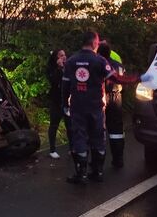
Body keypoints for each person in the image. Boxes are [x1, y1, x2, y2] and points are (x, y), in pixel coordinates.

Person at [62, 31, 138, 184]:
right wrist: (137, 78)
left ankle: (81, 174)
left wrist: (65, 104)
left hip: (78, 106)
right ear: (94, 43)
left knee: (79, 137)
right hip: (96, 106)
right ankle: (98, 172)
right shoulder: (100, 61)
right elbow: (116, 78)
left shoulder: (71, 61)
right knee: (98, 136)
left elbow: (65, 86)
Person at [97, 42, 126, 168]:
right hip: (117, 97)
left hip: (103, 97)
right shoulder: (118, 65)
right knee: (117, 131)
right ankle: (118, 159)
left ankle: (98, 163)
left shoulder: (99, 64)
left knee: (99, 129)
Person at [45, 49, 69, 159]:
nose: (63, 57)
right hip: (56, 100)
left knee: (70, 125)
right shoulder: (52, 68)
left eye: (64, 55)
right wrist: (59, 68)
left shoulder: (68, 67)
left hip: (67, 100)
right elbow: (54, 81)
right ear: (55, 58)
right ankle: (52, 149)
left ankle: (72, 147)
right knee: (54, 124)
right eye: (61, 55)